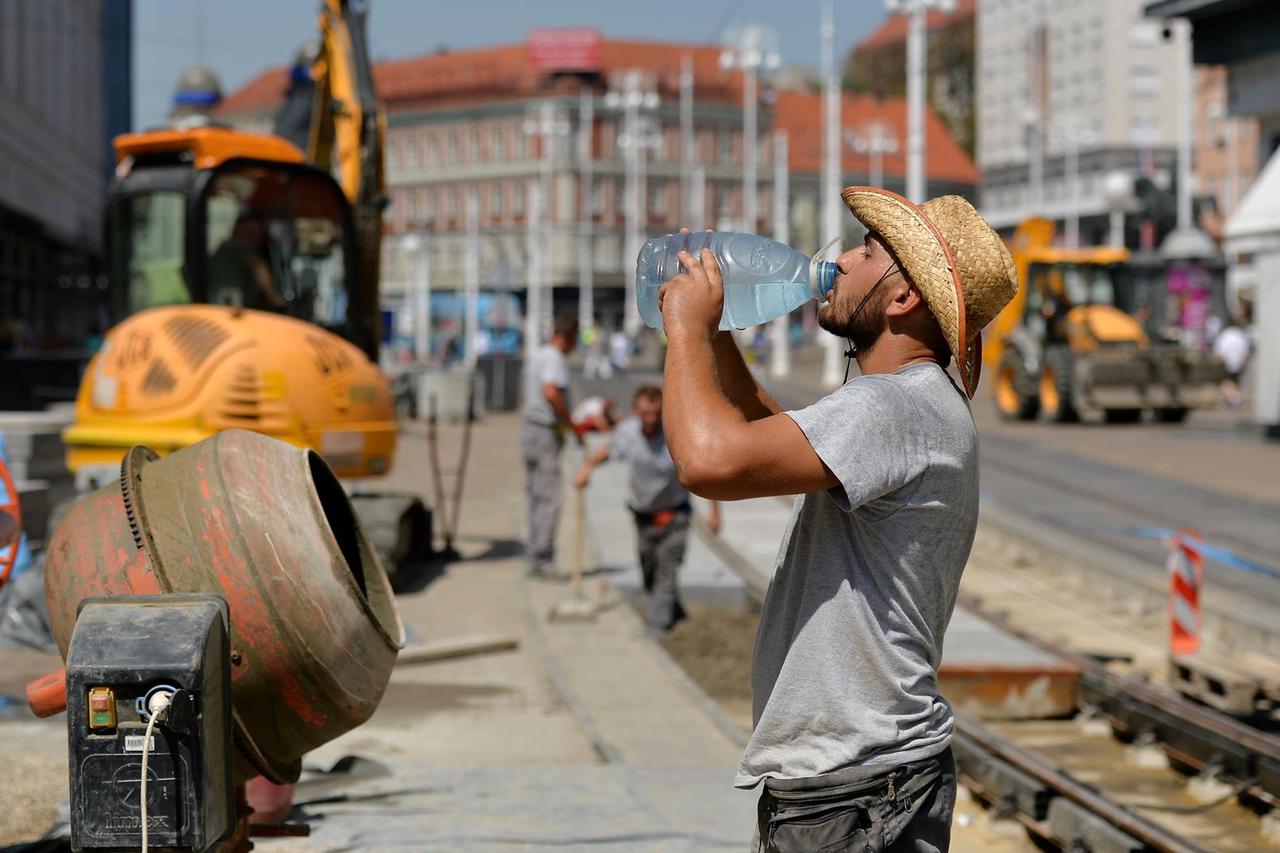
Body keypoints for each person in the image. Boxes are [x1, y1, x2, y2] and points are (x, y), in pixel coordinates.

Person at [657, 188, 1017, 852]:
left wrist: (682, 330)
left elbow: (709, 461)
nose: (842, 260)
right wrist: (715, 337)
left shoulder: (893, 407)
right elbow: (768, 437)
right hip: (864, 785)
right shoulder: (910, 403)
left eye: (868, 251)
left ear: (904, 298)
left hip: (855, 795)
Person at [574, 385, 720, 632]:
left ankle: (657, 627)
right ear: (635, 412)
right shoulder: (626, 433)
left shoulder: (676, 435)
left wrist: (714, 511)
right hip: (643, 515)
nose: (651, 420)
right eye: (645, 414)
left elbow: (706, 470)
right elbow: (608, 451)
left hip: (676, 515)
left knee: (667, 568)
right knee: (649, 569)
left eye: (656, 414)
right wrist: (587, 468)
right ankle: (671, 611)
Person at [521, 314, 580, 577]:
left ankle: (535, 553)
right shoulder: (554, 358)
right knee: (548, 497)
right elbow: (551, 391)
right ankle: (542, 560)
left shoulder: (539, 354)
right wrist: (570, 423)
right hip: (545, 432)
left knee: (535, 495)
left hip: (530, 430)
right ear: (568, 338)